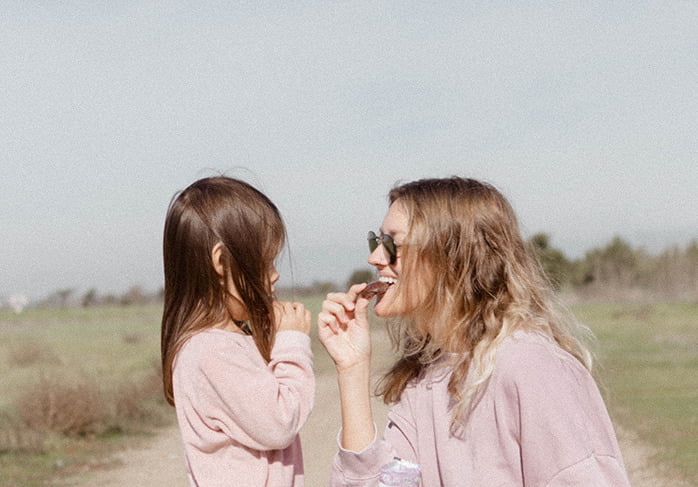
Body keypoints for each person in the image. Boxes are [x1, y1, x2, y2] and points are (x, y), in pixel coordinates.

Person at [318, 177, 630, 486]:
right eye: (376, 241)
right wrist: (352, 370)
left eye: (391, 245)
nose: (374, 257)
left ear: (451, 255)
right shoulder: (424, 379)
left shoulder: (533, 368)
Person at [160, 176, 314, 487]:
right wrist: (293, 343)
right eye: (266, 262)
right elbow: (280, 421)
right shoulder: (212, 351)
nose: (275, 275)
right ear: (220, 261)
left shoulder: (220, 345)